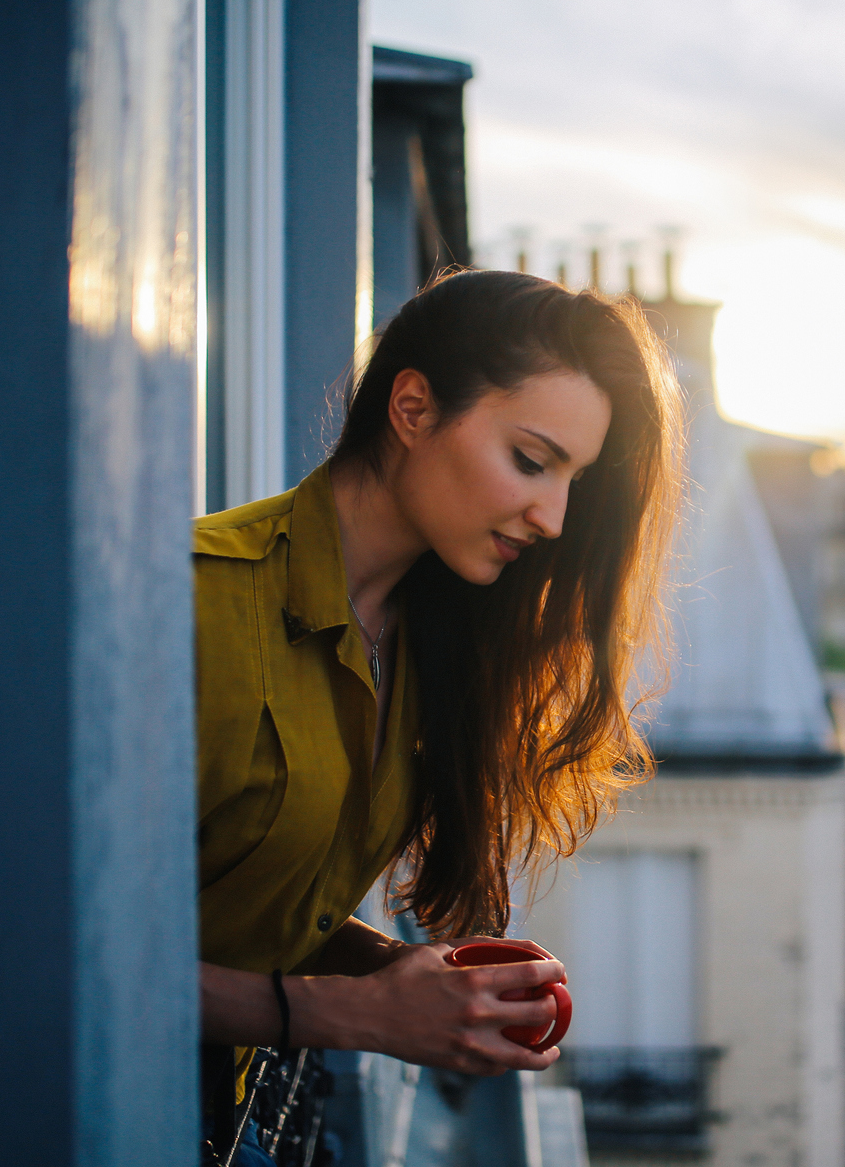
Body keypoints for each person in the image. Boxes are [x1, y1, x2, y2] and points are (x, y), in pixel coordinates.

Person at [190, 271, 683, 1107]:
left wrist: (409, 977)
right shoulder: (195, 601)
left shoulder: (429, 643)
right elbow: (55, 941)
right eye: (531, 462)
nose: (554, 519)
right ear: (413, 409)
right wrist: (358, 1014)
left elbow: (248, 905)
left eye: (572, 481)